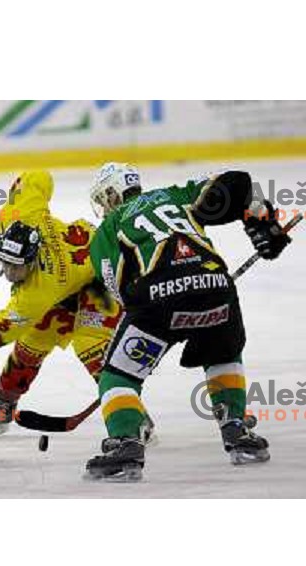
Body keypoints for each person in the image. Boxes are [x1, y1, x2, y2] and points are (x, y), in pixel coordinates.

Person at [85, 162, 291, 481]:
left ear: (110, 195)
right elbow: (238, 184)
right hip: (216, 288)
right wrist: (263, 223)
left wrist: (158, 324)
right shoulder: (176, 195)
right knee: (223, 354)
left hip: (156, 299)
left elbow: (120, 290)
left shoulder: (106, 230)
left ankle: (125, 444)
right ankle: (237, 432)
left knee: (116, 375)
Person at [0, 170, 152, 440]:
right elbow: (37, 177)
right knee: (28, 349)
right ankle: (3, 407)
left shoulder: (39, 289)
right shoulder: (17, 215)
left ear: (32, 261)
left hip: (96, 287)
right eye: (5, 263)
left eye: (16, 267)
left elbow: (4, 327)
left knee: (93, 352)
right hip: (66, 278)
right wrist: (16, 193)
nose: (9, 272)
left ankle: (132, 414)